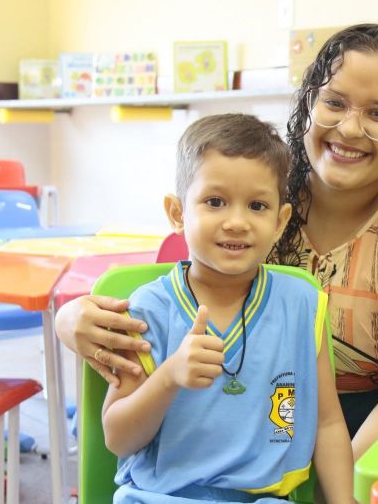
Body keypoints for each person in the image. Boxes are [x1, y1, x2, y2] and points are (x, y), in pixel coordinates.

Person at [56, 23, 378, 461]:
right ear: (309, 104)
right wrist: (70, 317)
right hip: (245, 435)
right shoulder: (256, 200)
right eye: (334, 103)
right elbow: (174, 290)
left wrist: (326, 484)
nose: (350, 129)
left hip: (363, 442)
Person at [101, 114, 354, 503]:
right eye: (215, 202)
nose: (237, 222)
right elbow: (118, 438)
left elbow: (328, 422)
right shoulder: (147, 310)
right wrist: (169, 377)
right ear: (177, 212)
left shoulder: (302, 305)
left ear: (280, 221)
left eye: (257, 205)